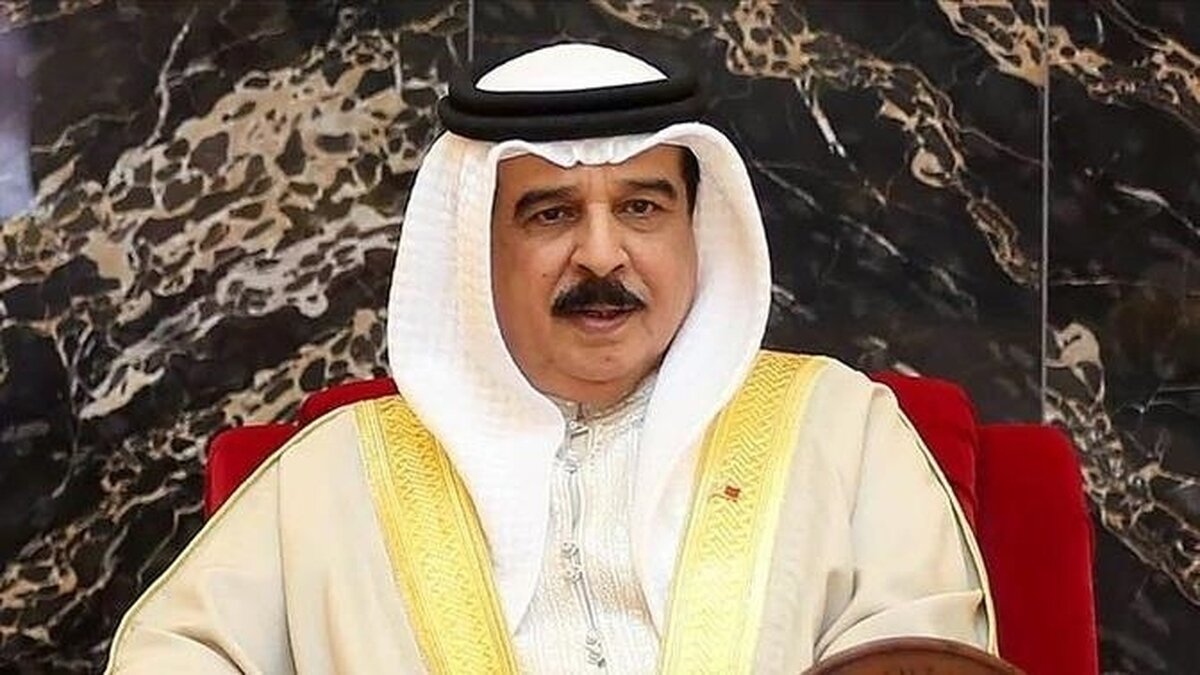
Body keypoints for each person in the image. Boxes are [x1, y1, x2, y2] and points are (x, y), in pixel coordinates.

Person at [105, 43, 994, 674]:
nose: (602, 255)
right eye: (552, 213)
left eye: (642, 207)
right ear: (477, 248)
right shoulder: (338, 474)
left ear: (694, 230)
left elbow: (922, 660)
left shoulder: (840, 430)